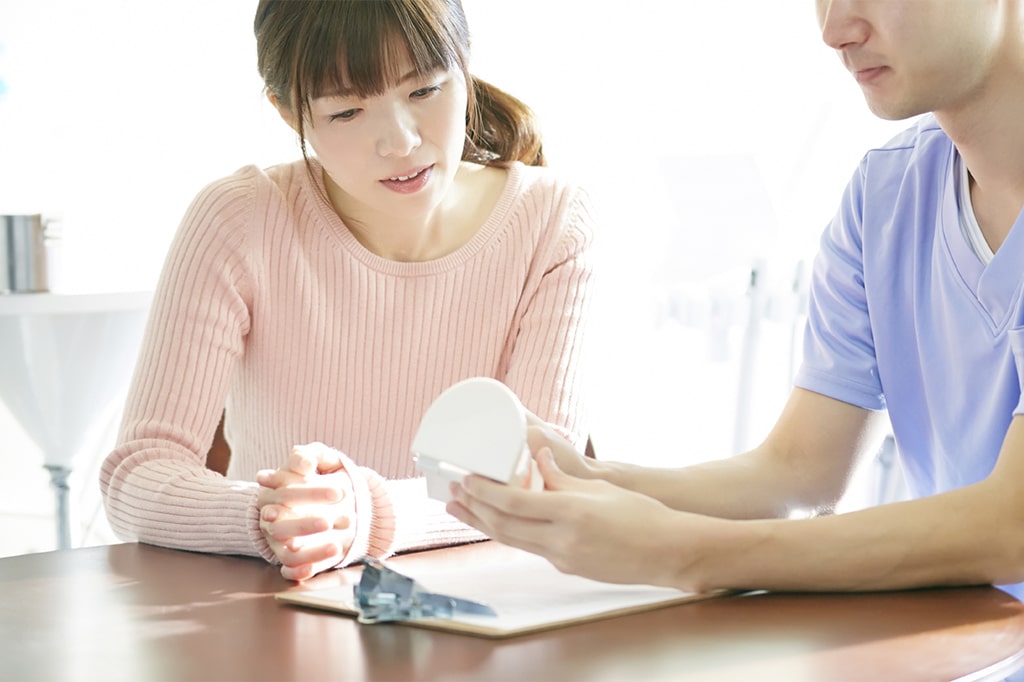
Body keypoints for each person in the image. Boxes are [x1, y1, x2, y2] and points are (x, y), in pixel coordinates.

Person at [449, 0, 1024, 600]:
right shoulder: (886, 196)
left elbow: (1011, 526)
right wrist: (587, 476)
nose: (835, 30)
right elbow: (800, 474)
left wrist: (678, 550)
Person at [100, 0, 596, 582]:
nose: (400, 141)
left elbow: (541, 473)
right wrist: (274, 518)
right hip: (287, 608)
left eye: (425, 90)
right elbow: (139, 470)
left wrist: (364, 515)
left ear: (464, 65)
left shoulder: (553, 220)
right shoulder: (241, 219)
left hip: (486, 611)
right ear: (289, 113)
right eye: (348, 112)